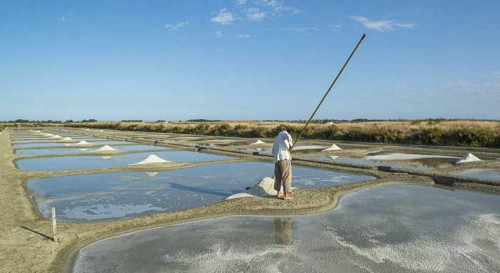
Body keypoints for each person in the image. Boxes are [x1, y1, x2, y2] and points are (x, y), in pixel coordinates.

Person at [272, 126, 293, 200]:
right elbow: (288, 136)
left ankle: (278, 192)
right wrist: (291, 145)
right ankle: (286, 195)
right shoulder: (283, 134)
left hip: (277, 160)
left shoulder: (276, 138)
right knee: (286, 177)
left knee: (278, 177)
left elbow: (273, 151)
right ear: (285, 130)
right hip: (284, 159)